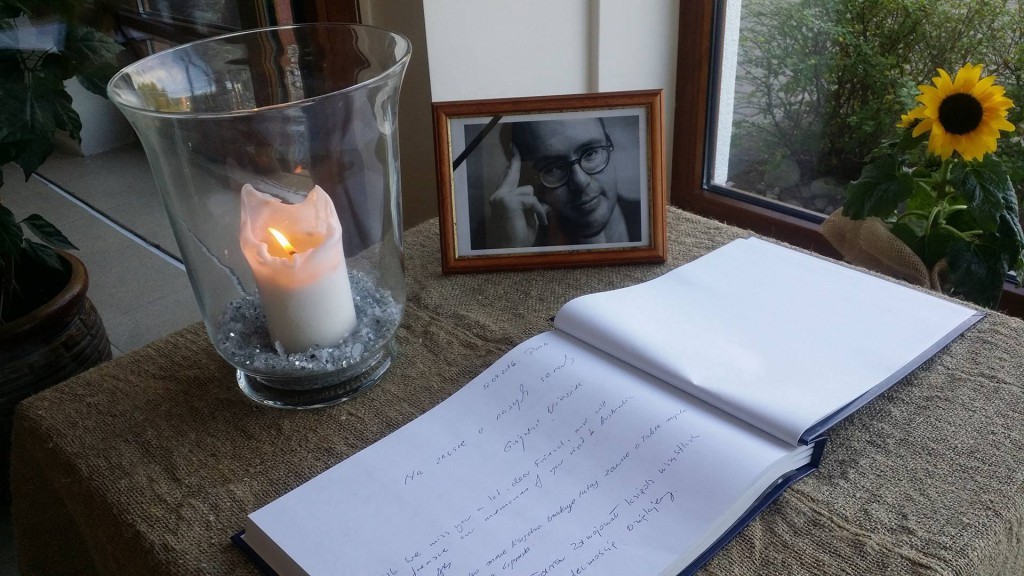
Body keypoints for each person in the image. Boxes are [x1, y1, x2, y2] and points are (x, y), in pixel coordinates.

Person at [485, 117, 640, 248]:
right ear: (524, 179)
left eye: (591, 153)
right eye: (553, 168)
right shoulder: (501, 240)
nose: (581, 182)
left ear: (609, 146)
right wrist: (512, 249)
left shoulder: (648, 220)